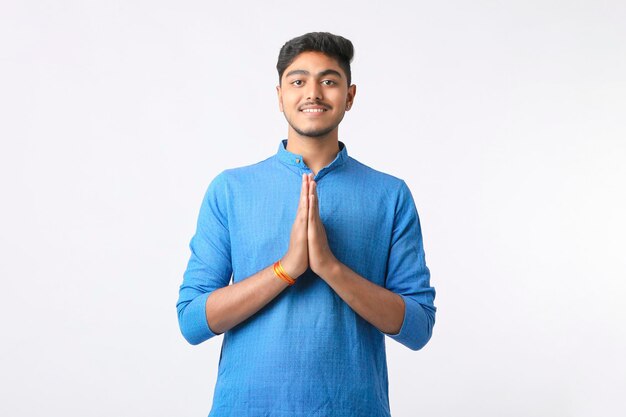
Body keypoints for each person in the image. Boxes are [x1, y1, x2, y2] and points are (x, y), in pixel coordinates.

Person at [176, 32, 437, 417]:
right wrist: (287, 269)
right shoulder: (231, 189)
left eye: (329, 81)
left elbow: (418, 327)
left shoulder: (389, 194)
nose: (312, 93)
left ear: (349, 95)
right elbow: (192, 320)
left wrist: (330, 267)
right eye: (298, 81)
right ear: (279, 95)